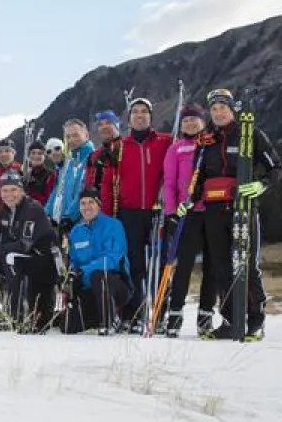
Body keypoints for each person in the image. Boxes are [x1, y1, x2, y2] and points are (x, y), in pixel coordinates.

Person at [189, 89, 282, 341]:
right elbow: (198, 176)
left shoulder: (249, 133)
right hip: (213, 209)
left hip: (242, 207)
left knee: (247, 264)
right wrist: (191, 196)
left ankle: (256, 321)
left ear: (232, 109)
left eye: (223, 107)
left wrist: (261, 184)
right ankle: (230, 320)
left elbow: (275, 167)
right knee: (221, 267)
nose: (218, 113)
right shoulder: (205, 139)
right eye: (214, 108)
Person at [114, 97, 173, 332]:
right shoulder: (120, 147)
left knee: (159, 263)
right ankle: (137, 313)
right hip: (129, 213)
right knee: (134, 265)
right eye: (135, 112)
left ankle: (160, 313)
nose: (140, 116)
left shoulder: (165, 141)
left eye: (144, 112)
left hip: (156, 210)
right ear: (129, 118)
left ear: (150, 116)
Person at [161, 104, 216, 337]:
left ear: (203, 122)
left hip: (212, 211)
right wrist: (171, 213)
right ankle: (175, 314)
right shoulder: (177, 148)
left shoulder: (211, 145)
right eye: (186, 121)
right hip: (187, 214)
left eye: (194, 120)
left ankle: (205, 315)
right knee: (183, 266)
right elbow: (170, 183)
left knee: (211, 266)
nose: (190, 124)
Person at [0, 171, 59, 333]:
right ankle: (14, 312)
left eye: (13, 190)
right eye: (4, 190)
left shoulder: (32, 208)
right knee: (4, 258)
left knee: (11, 257)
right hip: (29, 261)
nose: (9, 195)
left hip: (46, 264)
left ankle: (18, 316)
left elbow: (24, 245)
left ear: (22, 190)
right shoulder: (5, 211)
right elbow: (7, 240)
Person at [66, 189, 131, 335]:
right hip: (88, 287)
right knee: (68, 326)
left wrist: (85, 270)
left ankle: (110, 320)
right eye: (83, 203)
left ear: (99, 205)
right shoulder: (76, 231)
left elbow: (113, 259)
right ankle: (97, 317)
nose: (87, 207)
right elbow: (74, 261)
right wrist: (71, 275)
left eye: (91, 202)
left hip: (114, 283)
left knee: (99, 276)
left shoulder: (114, 225)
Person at [45, 119, 95, 236]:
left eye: (75, 135)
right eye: (68, 137)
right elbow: (58, 191)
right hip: (66, 224)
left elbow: (84, 191)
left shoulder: (92, 159)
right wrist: (46, 213)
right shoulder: (70, 163)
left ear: (86, 135)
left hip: (83, 223)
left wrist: (70, 217)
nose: (71, 140)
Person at [86, 110, 124, 216]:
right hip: (96, 214)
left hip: (120, 214)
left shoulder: (126, 149)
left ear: (117, 125)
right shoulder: (94, 155)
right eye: (100, 124)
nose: (104, 127)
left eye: (108, 123)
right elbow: (88, 185)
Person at [23, 140, 55, 207]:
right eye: (33, 153)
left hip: (43, 214)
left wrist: (31, 195)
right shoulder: (26, 176)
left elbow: (50, 200)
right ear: (29, 156)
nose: (36, 156)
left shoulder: (50, 175)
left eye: (40, 153)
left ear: (44, 156)